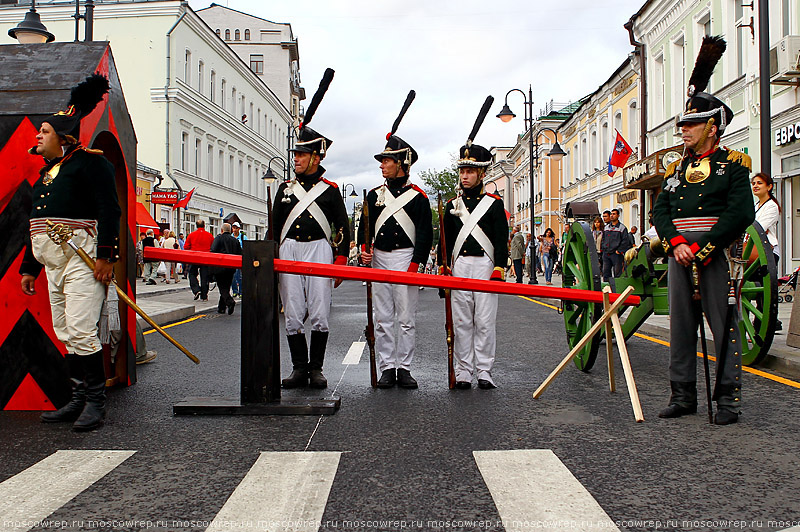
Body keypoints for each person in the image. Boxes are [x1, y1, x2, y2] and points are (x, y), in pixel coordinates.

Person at [653, 35, 754, 425]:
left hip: (717, 255)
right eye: (683, 124)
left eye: (691, 124)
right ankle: (683, 395)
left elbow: (740, 211)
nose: (683, 130)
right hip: (680, 255)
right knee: (681, 327)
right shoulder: (676, 169)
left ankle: (727, 400)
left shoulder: (733, 165)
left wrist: (705, 247)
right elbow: (661, 210)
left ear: (712, 127)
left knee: (725, 327)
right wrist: (676, 242)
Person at [19, 74, 120, 431]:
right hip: (53, 262)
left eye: (43, 132)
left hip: (82, 259)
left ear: (63, 138)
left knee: (80, 328)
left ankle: (95, 403)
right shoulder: (47, 174)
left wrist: (107, 257)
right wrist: (29, 268)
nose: (37, 137)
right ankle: (77, 398)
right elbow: (39, 223)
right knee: (64, 329)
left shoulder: (92, 164)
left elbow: (110, 211)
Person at [273, 112, 349, 390]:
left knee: (319, 311)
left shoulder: (329, 191)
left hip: (319, 249)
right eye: (296, 155)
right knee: (292, 311)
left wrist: (340, 260)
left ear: (316, 158)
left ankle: (316, 369)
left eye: (302, 155)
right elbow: (274, 227)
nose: (296, 159)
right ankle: (298, 368)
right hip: (289, 249)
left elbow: (342, 225)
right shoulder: (284, 189)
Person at [359, 129, 431, 389]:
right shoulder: (373, 195)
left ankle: (404, 367)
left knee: (406, 318)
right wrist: (365, 249)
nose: (382, 165)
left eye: (387, 161)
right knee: (383, 317)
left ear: (401, 163)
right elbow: (363, 230)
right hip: (379, 258)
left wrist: (415, 267)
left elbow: (425, 235)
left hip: (405, 258)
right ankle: (387, 366)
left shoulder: (419, 198)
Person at [442, 127, 508, 390]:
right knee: (462, 321)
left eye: (469, 171)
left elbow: (501, 239)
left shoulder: (493, 204)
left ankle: (484, 370)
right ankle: (463, 371)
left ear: (481, 174)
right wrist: (444, 267)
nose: (464, 176)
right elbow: (445, 241)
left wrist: (500, 267)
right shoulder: (450, 205)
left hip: (484, 264)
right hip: (459, 265)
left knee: (484, 321)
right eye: (462, 171)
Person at [210, 223, 242, 314]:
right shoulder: (235, 241)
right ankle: (221, 308)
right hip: (231, 268)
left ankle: (230, 302)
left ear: (222, 230)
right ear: (231, 230)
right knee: (226, 287)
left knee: (222, 288)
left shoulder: (218, 239)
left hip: (219, 267)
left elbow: (213, 251)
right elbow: (239, 253)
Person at [752, 172, 780, 268]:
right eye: (753, 183)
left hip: (767, 250)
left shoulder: (772, 206)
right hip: (752, 250)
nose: (755, 186)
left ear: (769, 187)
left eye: (759, 183)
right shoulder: (755, 206)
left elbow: (759, 228)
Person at [601, 208, 631, 290]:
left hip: (616, 254)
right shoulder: (607, 227)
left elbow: (625, 241)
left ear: (618, 215)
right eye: (611, 214)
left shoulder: (622, 228)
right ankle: (607, 289)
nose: (612, 216)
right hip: (606, 253)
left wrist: (619, 250)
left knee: (617, 273)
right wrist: (603, 248)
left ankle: (617, 289)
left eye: (614, 214)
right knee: (606, 272)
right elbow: (603, 239)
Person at [184, 219, 214, 301]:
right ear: (204, 225)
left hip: (194, 257)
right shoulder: (209, 235)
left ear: (196, 226)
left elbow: (186, 247)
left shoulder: (191, 235)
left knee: (192, 274)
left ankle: (196, 290)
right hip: (206, 258)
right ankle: (204, 296)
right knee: (204, 277)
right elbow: (213, 247)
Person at [231, 222, 246, 297]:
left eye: (236, 228)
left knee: (239, 276)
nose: (234, 229)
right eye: (233, 228)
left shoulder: (243, 237)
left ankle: (241, 292)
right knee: (233, 276)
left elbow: (246, 248)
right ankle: (235, 291)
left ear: (239, 229)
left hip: (240, 259)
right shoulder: (231, 237)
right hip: (232, 259)